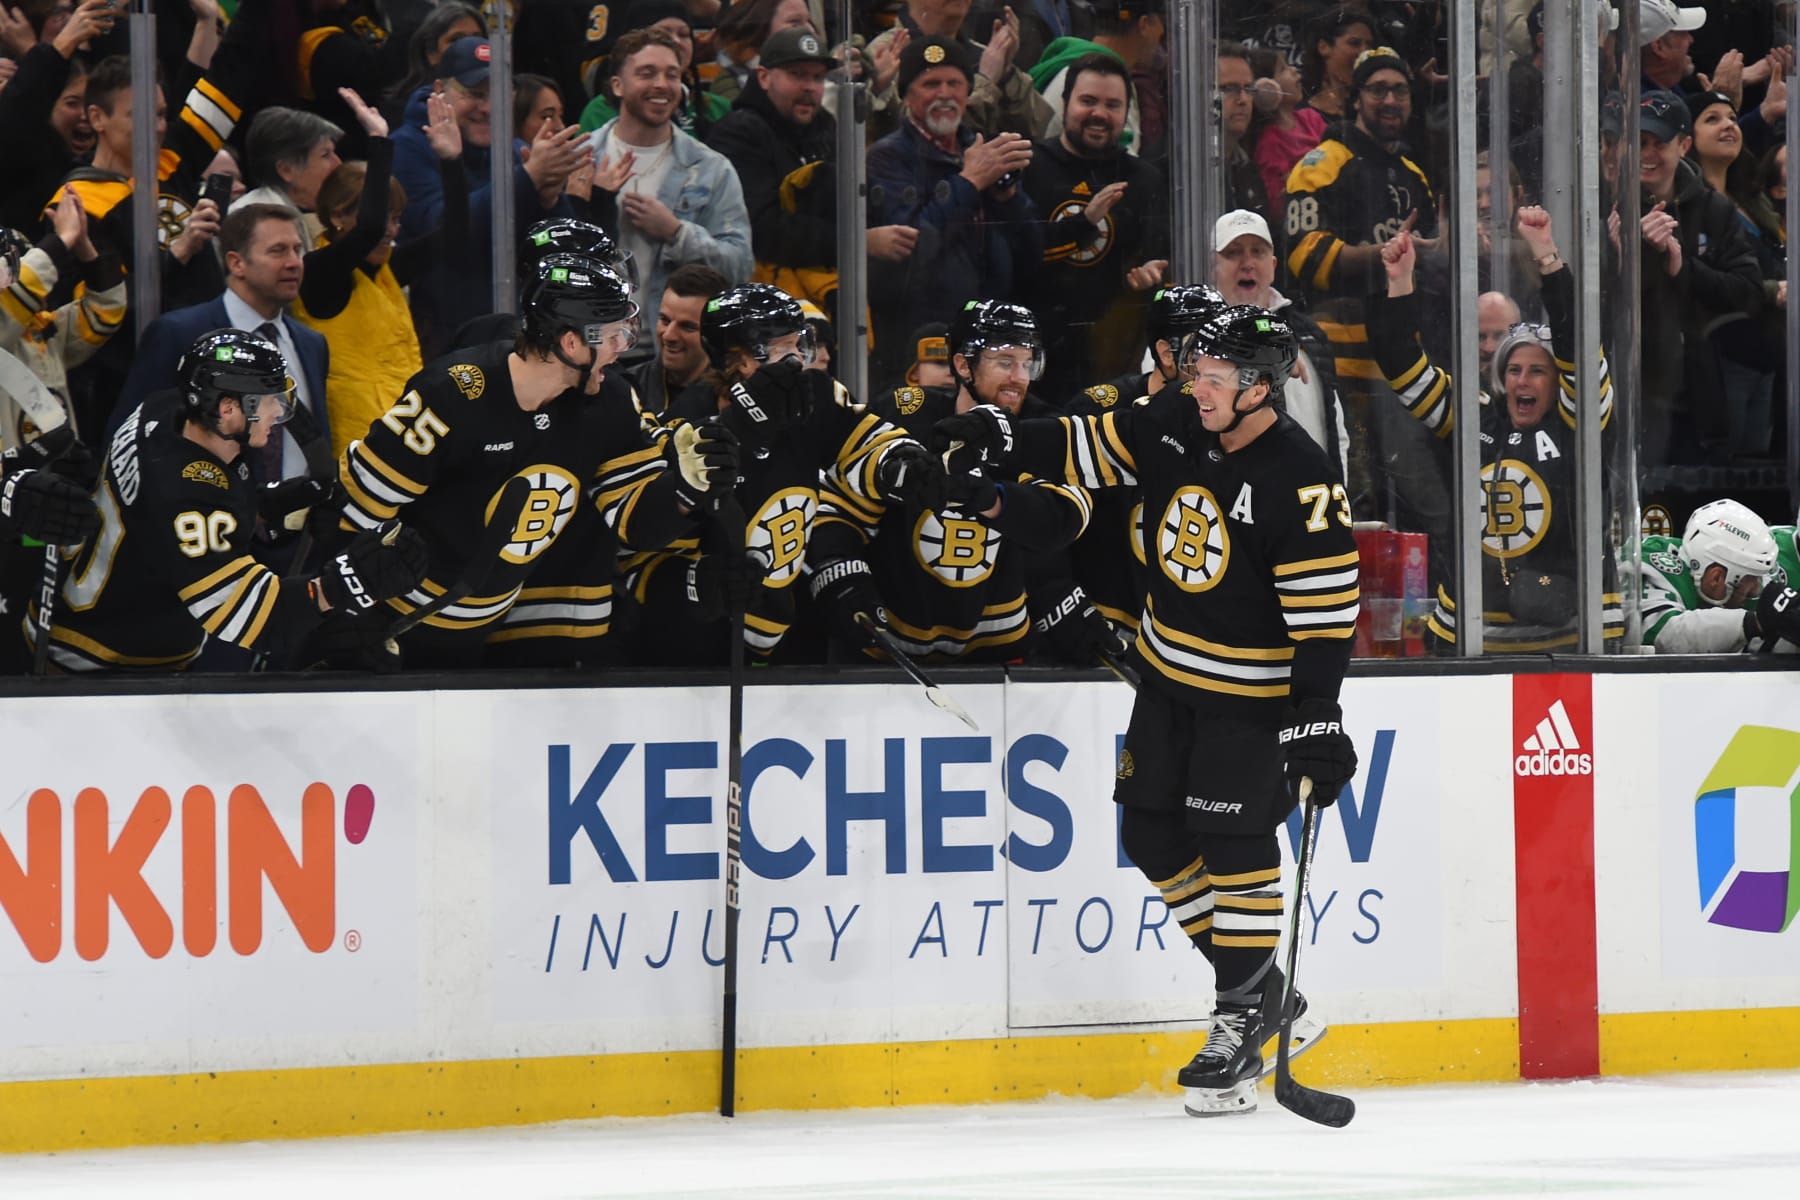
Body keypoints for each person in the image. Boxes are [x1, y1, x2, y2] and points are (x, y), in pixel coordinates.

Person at [930, 304, 1355, 1116]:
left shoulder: (1301, 479)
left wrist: (1316, 718)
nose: (1199, 386)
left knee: (1234, 847)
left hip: (1248, 700)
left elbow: (1325, 619)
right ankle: (1265, 994)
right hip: (1166, 682)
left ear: (1262, 390)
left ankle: (1236, 1021)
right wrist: (1002, 445)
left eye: (1218, 377)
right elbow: (1084, 445)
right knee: (1151, 833)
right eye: (1198, 371)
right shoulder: (1173, 419)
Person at [337, 253, 735, 669]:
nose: (622, 350)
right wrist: (347, 608)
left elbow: (634, 521)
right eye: (615, 335)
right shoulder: (451, 394)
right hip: (393, 625)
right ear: (571, 342)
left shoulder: (609, 403)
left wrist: (685, 490)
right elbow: (354, 513)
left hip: (478, 636)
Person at [37, 328, 428, 672]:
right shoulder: (186, 494)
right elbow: (252, 618)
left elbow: (166, 521)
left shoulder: (162, 409)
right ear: (227, 409)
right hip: (105, 659)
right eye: (268, 400)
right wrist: (347, 583)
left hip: (94, 614)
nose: (278, 413)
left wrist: (268, 505)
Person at [625, 283, 946, 666]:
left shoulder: (814, 398)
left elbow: (866, 440)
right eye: (781, 349)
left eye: (799, 346)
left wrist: (900, 464)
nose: (797, 361)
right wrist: (695, 582)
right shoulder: (688, 428)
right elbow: (642, 543)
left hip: (788, 634)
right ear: (737, 358)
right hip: (700, 649)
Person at [1369, 210, 1624, 653]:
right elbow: (1401, 367)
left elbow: (1577, 344)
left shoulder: (1579, 420)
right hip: (1470, 632)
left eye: (1537, 372)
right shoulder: (1474, 418)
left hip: (1571, 637)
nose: (1522, 381)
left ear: (1559, 378)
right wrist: (1399, 282)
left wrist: (1546, 255)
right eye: (1514, 370)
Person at [811, 300, 1095, 664]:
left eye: (1028, 364)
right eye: (1005, 362)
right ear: (963, 364)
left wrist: (990, 497)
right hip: (888, 647)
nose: (1020, 377)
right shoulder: (906, 414)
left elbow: (1066, 519)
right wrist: (842, 574)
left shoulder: (1048, 429)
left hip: (999, 654)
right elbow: (840, 505)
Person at [293, 87, 469, 458]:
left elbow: (454, 237)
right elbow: (369, 228)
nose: (390, 230)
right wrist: (379, 142)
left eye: (397, 219)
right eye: (382, 216)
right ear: (338, 217)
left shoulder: (388, 269)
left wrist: (451, 162)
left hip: (407, 440)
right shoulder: (319, 273)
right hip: (352, 452)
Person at [392, 35, 589, 358]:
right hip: (443, 343)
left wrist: (550, 200)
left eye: (497, 95)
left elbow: (558, 251)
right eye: (474, 94)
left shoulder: (512, 151)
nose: (487, 108)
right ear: (440, 90)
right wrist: (527, 180)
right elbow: (444, 231)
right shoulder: (409, 148)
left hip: (517, 341)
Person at [113, 204, 332, 489]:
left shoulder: (312, 344)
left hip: (297, 525)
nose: (294, 262)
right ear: (236, 263)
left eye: (297, 249)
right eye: (277, 251)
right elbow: (130, 439)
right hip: (207, 521)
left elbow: (315, 442)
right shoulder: (180, 334)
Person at [865, 35, 1042, 380]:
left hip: (987, 333)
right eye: (930, 84)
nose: (944, 94)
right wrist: (969, 182)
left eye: (954, 83)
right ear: (906, 94)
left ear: (967, 92)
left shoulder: (981, 149)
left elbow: (1033, 255)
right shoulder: (888, 157)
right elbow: (914, 247)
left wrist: (1009, 200)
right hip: (916, 339)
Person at [706, 26, 917, 312]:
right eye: (797, 74)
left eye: (817, 77)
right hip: (760, 301)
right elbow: (764, 228)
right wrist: (857, 241)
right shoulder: (739, 134)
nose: (809, 87)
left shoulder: (826, 127)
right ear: (764, 77)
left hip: (825, 294)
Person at [584, 26, 754, 361]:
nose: (662, 84)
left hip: (673, 358)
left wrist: (676, 233)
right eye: (647, 73)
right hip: (592, 352)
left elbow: (739, 266)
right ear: (617, 85)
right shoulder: (582, 159)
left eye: (672, 75)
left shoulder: (711, 169)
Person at [1022, 52, 1168, 407]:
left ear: (1126, 113)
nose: (1099, 113)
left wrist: (1153, 274)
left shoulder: (1144, 179)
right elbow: (1020, 256)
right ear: (1064, 102)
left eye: (1112, 104)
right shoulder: (1030, 165)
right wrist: (1084, 223)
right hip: (1035, 361)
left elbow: (1157, 256)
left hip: (1115, 364)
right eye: (1088, 101)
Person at [1632, 89, 1761, 466]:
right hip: (1633, 389)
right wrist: (1625, 251)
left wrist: (1680, 267)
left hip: (1700, 390)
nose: (1647, 154)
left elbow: (1748, 292)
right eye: (1639, 143)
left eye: (1659, 143)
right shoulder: (1609, 206)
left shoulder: (1712, 207)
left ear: (1684, 145)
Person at [1213, 208, 1347, 483]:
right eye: (1234, 252)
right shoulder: (1191, 336)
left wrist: (1337, 500)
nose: (1247, 263)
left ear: (1273, 266)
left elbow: (1336, 430)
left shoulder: (1308, 334)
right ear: (1212, 266)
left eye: (1257, 252)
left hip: (1311, 510)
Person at [0, 195, 126, 452]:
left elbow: (106, 312)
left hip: (56, 480)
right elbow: (12, 294)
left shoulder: (44, 331)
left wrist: (83, 247)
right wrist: (60, 240)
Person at [864, 0, 1054, 143]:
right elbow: (920, 135)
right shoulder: (884, 55)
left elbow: (1043, 129)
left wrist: (1006, 76)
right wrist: (986, 82)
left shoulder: (985, 54)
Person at [1638, 499, 1800, 653]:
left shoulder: (1748, 576)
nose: (1757, 588)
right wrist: (1754, 622)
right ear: (1715, 579)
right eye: (1751, 578)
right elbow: (1665, 638)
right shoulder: (1653, 562)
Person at [1028, 0, 1164, 156]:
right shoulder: (1088, 81)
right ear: (1144, 24)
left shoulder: (1085, 72)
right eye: (1161, 21)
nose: (1162, 31)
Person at [233, 106, 345, 248]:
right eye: (325, 155)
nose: (338, 163)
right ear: (286, 170)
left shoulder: (285, 211)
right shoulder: (262, 221)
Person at [631, 262, 730, 420]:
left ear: (714, 334)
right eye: (665, 320)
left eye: (687, 327)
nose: (669, 336)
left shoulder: (728, 402)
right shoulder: (628, 387)